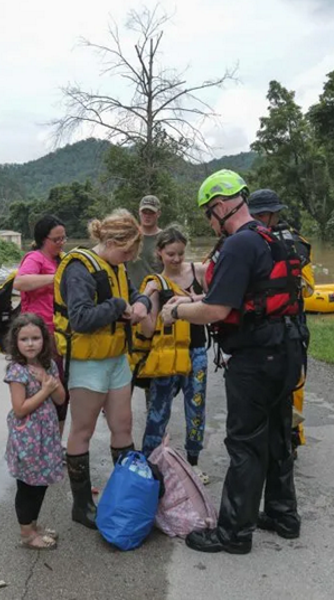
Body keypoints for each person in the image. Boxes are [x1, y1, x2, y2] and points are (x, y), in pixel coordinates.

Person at [161, 170, 306, 554]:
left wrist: (175, 313)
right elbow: (244, 292)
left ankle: (234, 533)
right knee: (277, 436)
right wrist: (188, 301)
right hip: (287, 349)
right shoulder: (269, 236)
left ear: (221, 207)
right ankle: (282, 514)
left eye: (209, 215)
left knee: (245, 442)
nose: (210, 223)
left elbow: (217, 309)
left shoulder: (239, 244)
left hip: (257, 357)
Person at [53, 209, 151, 529]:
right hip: (88, 363)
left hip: (117, 359)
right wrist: (118, 307)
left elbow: (133, 294)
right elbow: (80, 318)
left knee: (123, 425)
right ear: (109, 240)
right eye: (125, 252)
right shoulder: (80, 269)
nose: (128, 259)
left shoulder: (117, 265)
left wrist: (141, 305)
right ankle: (82, 506)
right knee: (83, 430)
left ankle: (125, 495)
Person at [137, 227, 210, 484]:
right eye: (170, 254)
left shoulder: (199, 271)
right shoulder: (155, 283)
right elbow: (148, 325)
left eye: (180, 253)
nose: (177, 259)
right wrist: (138, 312)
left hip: (197, 350)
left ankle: (193, 462)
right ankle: (150, 464)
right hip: (167, 354)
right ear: (159, 253)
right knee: (158, 410)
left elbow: (217, 300)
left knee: (196, 407)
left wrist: (196, 298)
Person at [248, 189, 313, 455]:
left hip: (254, 327)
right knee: (292, 381)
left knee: (254, 384)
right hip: (291, 325)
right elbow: (308, 289)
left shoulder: (241, 240)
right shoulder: (297, 242)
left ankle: (259, 436)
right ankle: (290, 436)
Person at [3, 313, 66, 550]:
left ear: (44, 339)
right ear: (16, 343)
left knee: (41, 482)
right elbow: (20, 409)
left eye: (36, 338)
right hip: (27, 438)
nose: (30, 344)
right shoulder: (17, 371)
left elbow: (60, 399)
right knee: (27, 485)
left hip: (46, 436)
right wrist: (44, 389)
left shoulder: (48, 365)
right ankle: (27, 533)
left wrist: (50, 381)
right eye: (24, 339)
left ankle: (34, 525)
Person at [14, 216, 68, 433]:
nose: (61, 242)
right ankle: (34, 436)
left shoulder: (62, 259)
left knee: (60, 385)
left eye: (64, 238)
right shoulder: (35, 258)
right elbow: (20, 282)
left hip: (61, 331)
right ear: (43, 239)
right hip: (40, 333)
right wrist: (54, 278)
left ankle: (57, 440)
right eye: (57, 239)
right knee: (39, 385)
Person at [126, 195, 163, 289]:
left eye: (151, 212)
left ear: (158, 214)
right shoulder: (129, 236)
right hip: (131, 294)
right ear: (139, 212)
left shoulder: (165, 238)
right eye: (144, 212)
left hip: (156, 292)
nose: (147, 216)